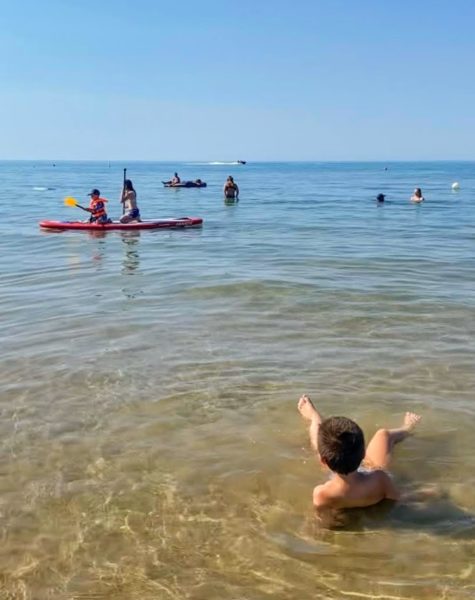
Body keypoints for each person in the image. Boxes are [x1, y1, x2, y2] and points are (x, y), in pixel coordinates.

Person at [297, 394, 421, 513]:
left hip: (333, 475)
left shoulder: (322, 494)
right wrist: (433, 491)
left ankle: (314, 417)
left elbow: (323, 518)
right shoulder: (380, 479)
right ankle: (407, 428)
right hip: (369, 469)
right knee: (383, 434)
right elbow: (399, 497)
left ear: (324, 462)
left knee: (318, 443)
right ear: (363, 455)